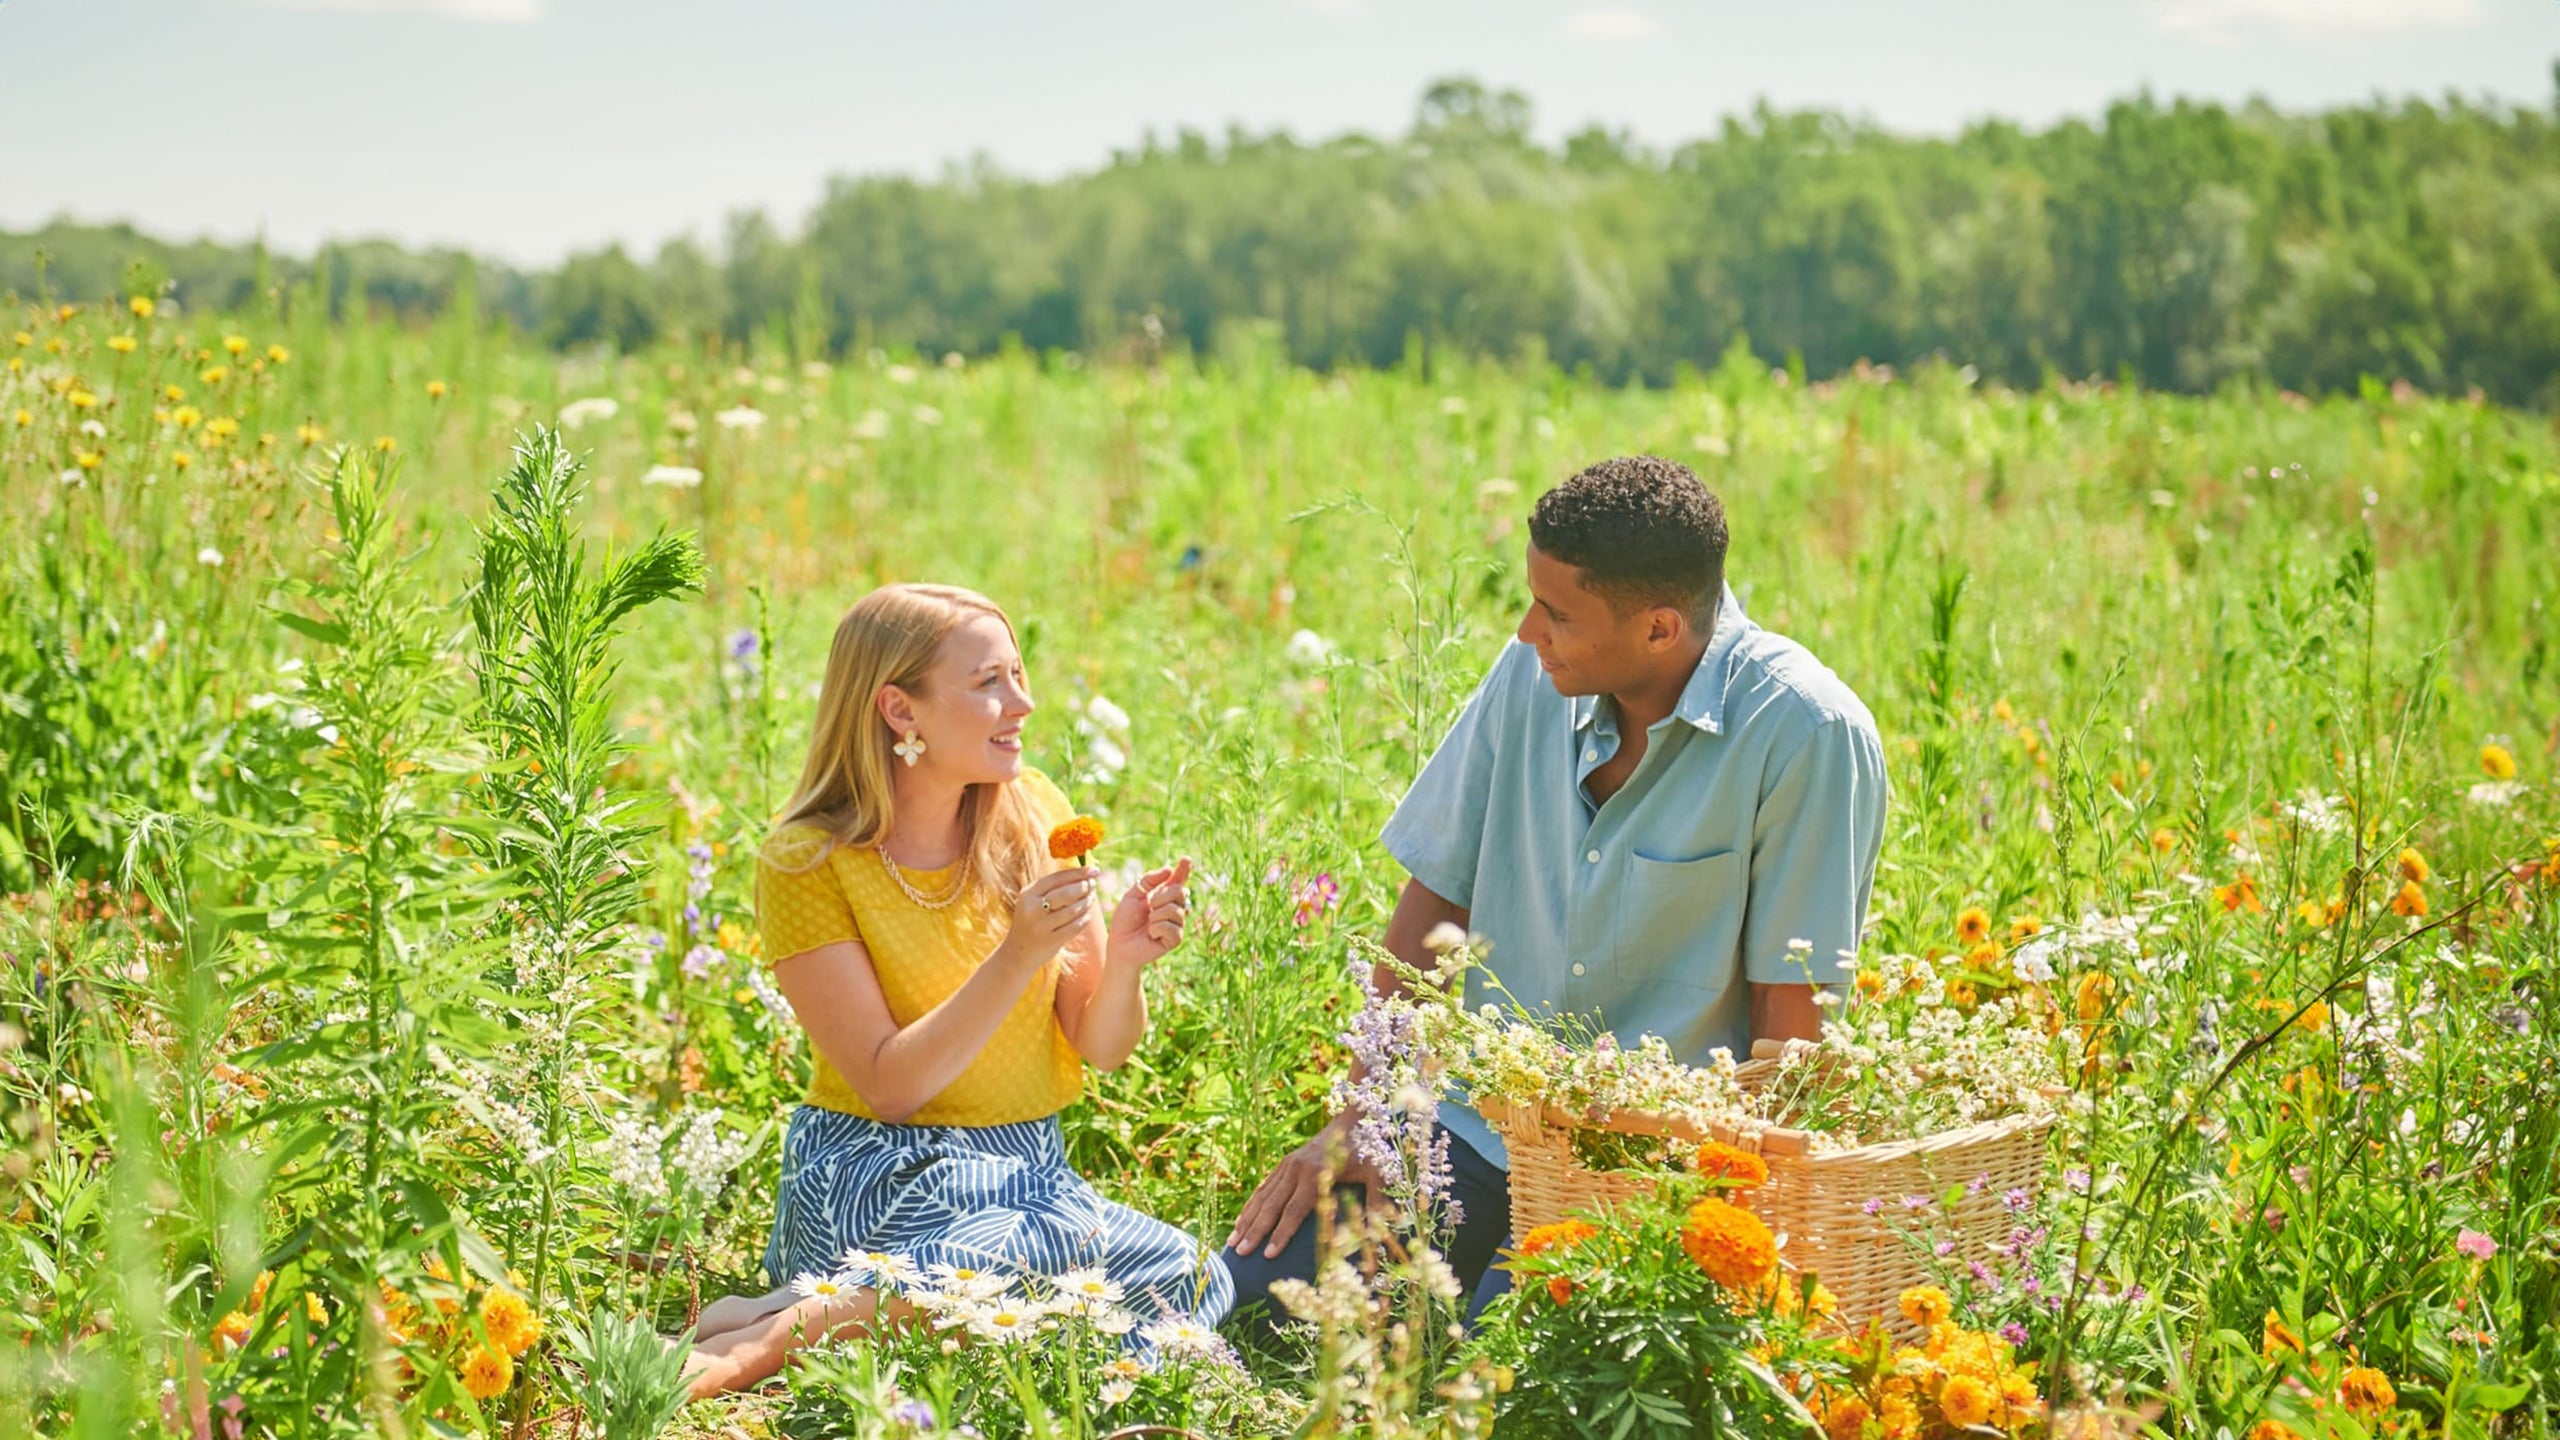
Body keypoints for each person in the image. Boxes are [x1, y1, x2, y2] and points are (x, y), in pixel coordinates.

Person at [1223, 455, 1887, 1331]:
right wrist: (1363, 1118)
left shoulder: (1808, 734)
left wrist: (1715, 1241)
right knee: (1251, 1297)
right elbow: (1435, 903)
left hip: (1648, 1171)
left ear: (1658, 628)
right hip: (1473, 1132)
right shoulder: (1530, 674)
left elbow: (1793, 1027)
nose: (1530, 630)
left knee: (1507, 1369)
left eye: (1558, 613)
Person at [680, 582, 1232, 1397]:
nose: (1024, 702)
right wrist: (1014, 956)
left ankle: (778, 1315)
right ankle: (750, 1353)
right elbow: (890, 1086)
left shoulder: (1035, 813)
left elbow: (1102, 1046)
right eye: (989, 683)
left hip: (1024, 1174)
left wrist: (1126, 961)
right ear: (901, 711)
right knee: (1011, 1268)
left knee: (1192, 1280)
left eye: (1018, 674)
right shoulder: (805, 861)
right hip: (875, 1166)